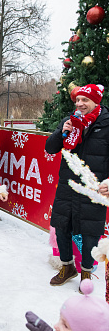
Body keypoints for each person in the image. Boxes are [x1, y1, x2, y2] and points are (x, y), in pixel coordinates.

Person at [46, 84, 109, 287]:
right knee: (62, 225)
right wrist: (61, 133)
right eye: (78, 100)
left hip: (94, 188)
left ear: (95, 101)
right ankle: (67, 267)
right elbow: (50, 147)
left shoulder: (107, 123)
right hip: (68, 184)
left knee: (90, 230)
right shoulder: (70, 121)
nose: (80, 104)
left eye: (85, 100)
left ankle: (86, 274)